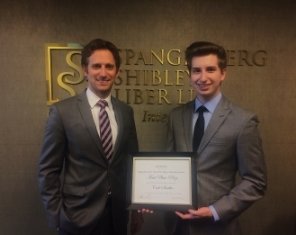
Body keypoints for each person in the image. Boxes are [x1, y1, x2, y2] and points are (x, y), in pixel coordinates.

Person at [38, 38, 141, 235]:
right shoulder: (62, 112)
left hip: (117, 216)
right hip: (77, 218)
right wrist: (57, 216)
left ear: (117, 71)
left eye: (109, 66)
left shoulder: (125, 111)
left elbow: (132, 163)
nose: (103, 73)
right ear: (85, 70)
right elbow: (48, 170)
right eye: (97, 66)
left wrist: (135, 207)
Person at [165, 41, 267, 235]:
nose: (203, 77)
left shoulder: (243, 121)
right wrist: (152, 197)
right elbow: (169, 165)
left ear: (223, 73)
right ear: (189, 75)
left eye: (210, 69)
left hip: (218, 228)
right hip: (177, 226)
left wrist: (214, 211)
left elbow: (255, 181)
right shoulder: (176, 116)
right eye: (196, 70)